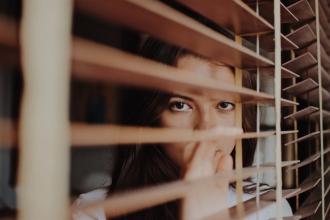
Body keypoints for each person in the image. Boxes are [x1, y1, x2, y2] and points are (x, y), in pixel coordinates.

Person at [72, 38, 293, 220]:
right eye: (180, 105)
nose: (206, 127)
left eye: (224, 105)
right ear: (152, 117)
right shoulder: (94, 212)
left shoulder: (268, 209)